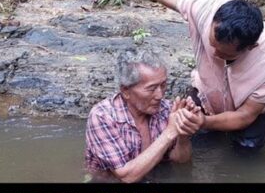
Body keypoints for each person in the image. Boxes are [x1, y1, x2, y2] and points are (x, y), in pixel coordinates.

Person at [63, 0, 265, 152]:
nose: (215, 54)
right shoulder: (205, 9)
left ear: (250, 47)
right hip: (207, 95)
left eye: (224, 54)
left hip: (247, 113)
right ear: (213, 21)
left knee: (247, 154)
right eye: (212, 44)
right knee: (186, 144)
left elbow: (245, 116)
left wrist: (205, 123)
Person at [84, 50, 203, 182]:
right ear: (126, 91)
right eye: (151, 89)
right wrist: (170, 131)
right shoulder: (102, 116)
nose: (160, 95)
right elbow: (126, 177)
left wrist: (183, 132)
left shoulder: (166, 109)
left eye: (163, 85)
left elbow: (180, 162)